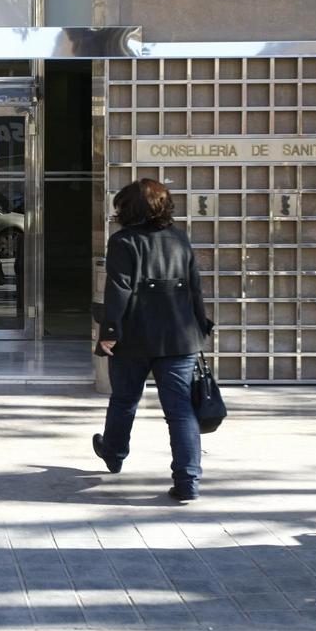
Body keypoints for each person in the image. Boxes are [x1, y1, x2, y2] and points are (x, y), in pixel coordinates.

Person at [93, 178, 214, 501]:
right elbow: (194, 286)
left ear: (128, 209)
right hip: (179, 336)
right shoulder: (179, 238)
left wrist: (109, 333)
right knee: (181, 411)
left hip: (134, 336)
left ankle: (114, 453)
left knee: (124, 400)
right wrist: (201, 324)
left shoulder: (123, 242)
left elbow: (118, 289)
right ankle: (188, 482)